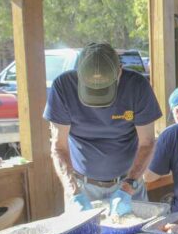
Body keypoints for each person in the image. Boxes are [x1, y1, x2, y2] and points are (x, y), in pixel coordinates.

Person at [44, 42, 162, 215]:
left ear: (119, 71)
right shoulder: (63, 87)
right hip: (81, 184)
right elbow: (58, 146)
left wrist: (129, 187)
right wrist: (74, 193)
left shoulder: (137, 86)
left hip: (129, 181)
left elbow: (147, 142)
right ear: (79, 74)